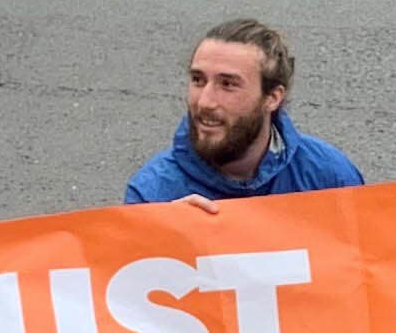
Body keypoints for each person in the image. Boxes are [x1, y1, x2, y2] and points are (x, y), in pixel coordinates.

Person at [122, 18, 365, 203]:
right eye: (198, 80)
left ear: (272, 97)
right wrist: (160, 236)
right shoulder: (152, 195)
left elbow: (372, 264)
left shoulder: (330, 179)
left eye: (227, 84)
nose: (205, 102)